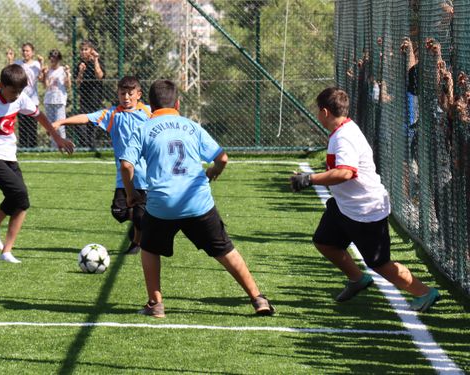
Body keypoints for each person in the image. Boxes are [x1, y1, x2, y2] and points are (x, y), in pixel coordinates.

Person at [119, 79, 274, 318]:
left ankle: (155, 304)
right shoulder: (191, 126)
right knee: (225, 249)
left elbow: (127, 166)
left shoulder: (144, 127)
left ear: (150, 104)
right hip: (196, 201)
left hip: (162, 204)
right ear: (178, 103)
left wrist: (130, 195)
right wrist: (213, 172)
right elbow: (222, 158)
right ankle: (258, 298)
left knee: (148, 247)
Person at [289, 87, 440, 312]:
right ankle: (358, 279)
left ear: (324, 112)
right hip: (344, 206)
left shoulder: (344, 137)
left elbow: (345, 172)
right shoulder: (341, 130)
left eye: (317, 111)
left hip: (365, 210)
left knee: (380, 264)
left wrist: (309, 179)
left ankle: (425, 292)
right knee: (324, 241)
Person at [0, 64, 74, 263]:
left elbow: (39, 116)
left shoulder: (20, 98)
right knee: (19, 193)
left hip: (9, 154)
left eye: (20, 91)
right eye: (13, 91)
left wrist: (57, 138)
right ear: (1, 85)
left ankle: (2, 243)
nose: (17, 95)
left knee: (22, 202)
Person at [52, 76, 150, 254]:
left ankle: (136, 242)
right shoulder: (113, 114)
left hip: (144, 176)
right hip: (124, 177)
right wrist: (61, 122)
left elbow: (166, 116)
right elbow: (86, 118)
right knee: (118, 211)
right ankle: (141, 221)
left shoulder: (149, 113)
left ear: (139, 94)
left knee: (139, 213)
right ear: (118, 94)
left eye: (130, 93)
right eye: (122, 93)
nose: (126, 97)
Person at [7, 43, 41, 148]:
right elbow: (10, 74)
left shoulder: (36, 64)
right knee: (22, 124)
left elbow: (41, 77)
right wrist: (10, 60)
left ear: (32, 52)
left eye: (27, 51)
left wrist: (42, 63)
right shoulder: (18, 63)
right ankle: (23, 146)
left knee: (32, 124)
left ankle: (32, 147)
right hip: (21, 98)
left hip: (33, 98)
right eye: (24, 50)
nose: (25, 53)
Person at [74, 39, 106, 150]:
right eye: (82, 50)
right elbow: (77, 83)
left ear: (91, 50)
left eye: (86, 49)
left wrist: (96, 59)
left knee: (93, 124)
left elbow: (100, 76)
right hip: (84, 99)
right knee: (80, 122)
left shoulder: (97, 62)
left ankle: (91, 146)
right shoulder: (80, 64)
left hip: (95, 98)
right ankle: (84, 145)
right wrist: (81, 71)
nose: (83, 52)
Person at [41, 49, 71, 148]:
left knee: (60, 125)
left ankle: (63, 146)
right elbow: (46, 86)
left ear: (59, 59)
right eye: (51, 58)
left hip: (59, 100)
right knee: (51, 127)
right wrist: (45, 74)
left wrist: (67, 74)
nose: (53, 60)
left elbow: (68, 85)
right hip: (49, 100)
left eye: (55, 58)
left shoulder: (63, 70)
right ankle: (54, 148)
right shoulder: (48, 70)